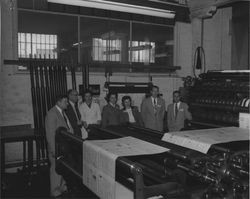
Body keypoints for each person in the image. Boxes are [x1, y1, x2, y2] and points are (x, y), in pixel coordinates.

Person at [45, 95, 72, 197]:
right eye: (65, 102)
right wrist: (54, 150)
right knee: (56, 170)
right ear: (59, 102)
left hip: (63, 147)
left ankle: (62, 187)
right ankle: (55, 191)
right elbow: (50, 134)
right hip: (57, 148)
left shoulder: (62, 112)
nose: (67, 103)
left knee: (63, 169)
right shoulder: (52, 114)